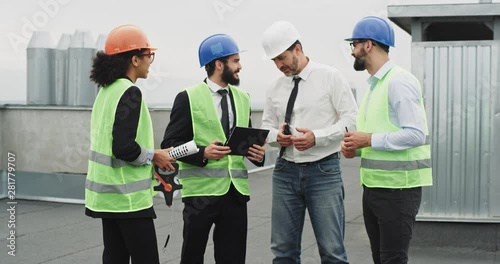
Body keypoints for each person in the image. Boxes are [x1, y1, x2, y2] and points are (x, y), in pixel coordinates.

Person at [161, 33, 266, 264]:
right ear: (219, 64)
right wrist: (202, 153)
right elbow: (169, 146)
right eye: (236, 61)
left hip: (235, 194)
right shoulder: (187, 98)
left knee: (233, 258)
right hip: (200, 194)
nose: (240, 66)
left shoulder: (243, 97)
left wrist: (258, 155)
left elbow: (245, 142)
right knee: (192, 256)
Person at [261, 20, 357, 264]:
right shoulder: (273, 87)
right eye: (274, 61)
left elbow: (352, 121)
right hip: (284, 171)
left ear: (298, 49)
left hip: (323, 171)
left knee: (332, 253)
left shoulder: (331, 77)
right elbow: (266, 128)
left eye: (282, 58)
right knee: (283, 253)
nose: (279, 65)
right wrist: (276, 138)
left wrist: (317, 137)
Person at [342, 16, 433, 264]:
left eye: (355, 45)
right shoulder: (374, 86)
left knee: (392, 259)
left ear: (368, 45)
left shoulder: (399, 81)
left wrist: (368, 139)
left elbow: (415, 134)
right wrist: (356, 149)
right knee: (381, 259)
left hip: (398, 191)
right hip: (374, 189)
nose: (352, 52)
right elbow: (377, 136)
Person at [85, 24, 176, 264]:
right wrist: (154, 156)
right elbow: (123, 148)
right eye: (148, 56)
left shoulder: (106, 92)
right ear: (135, 59)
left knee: (115, 258)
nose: (150, 61)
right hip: (128, 200)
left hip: (108, 197)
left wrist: (152, 153)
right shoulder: (130, 93)